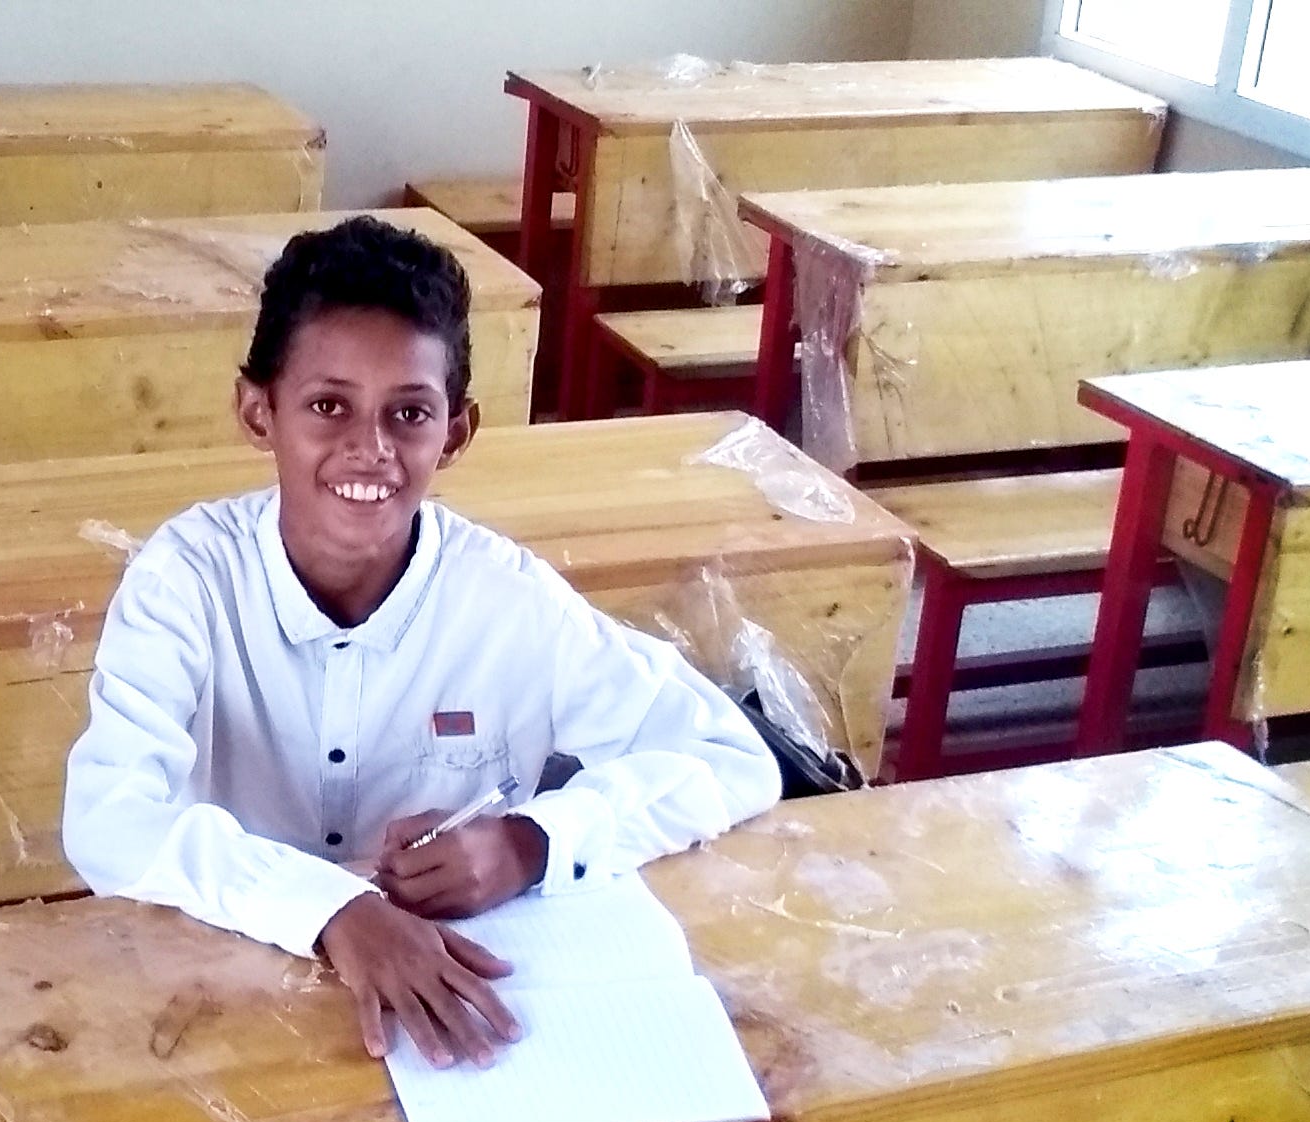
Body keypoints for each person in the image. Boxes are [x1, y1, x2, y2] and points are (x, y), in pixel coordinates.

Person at [63, 215, 781, 1070]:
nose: (370, 449)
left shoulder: (507, 601)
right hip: (220, 991)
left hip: (450, 994)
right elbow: (107, 818)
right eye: (328, 406)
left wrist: (533, 842)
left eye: (409, 413)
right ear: (260, 412)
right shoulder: (187, 581)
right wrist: (331, 908)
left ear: (457, 432)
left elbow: (730, 756)